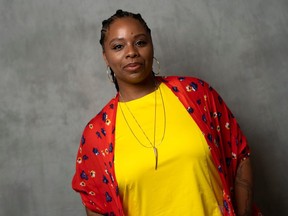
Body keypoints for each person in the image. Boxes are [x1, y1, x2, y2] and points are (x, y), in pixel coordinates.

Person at [72, 9, 261, 216]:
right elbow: (95, 204)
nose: (131, 52)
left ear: (151, 46)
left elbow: (239, 154)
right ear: (106, 57)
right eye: (118, 46)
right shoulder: (97, 133)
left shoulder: (196, 93)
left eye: (140, 42)